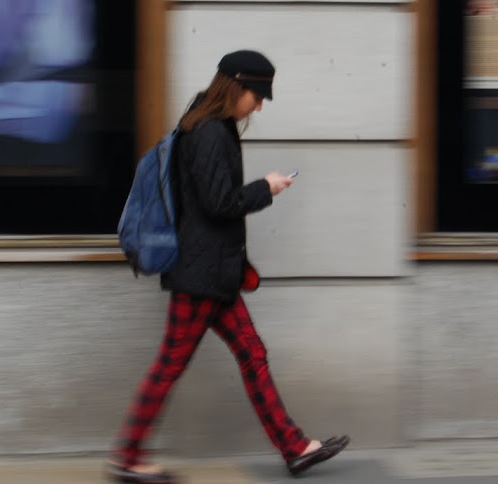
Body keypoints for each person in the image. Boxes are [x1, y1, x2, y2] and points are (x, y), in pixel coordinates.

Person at [106, 50, 349, 484]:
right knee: (170, 365)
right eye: (257, 96)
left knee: (252, 354)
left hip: (214, 273)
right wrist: (266, 187)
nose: (259, 107)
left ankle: (294, 448)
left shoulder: (207, 124)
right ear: (237, 87)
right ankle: (127, 457)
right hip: (201, 276)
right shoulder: (209, 132)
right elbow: (219, 203)